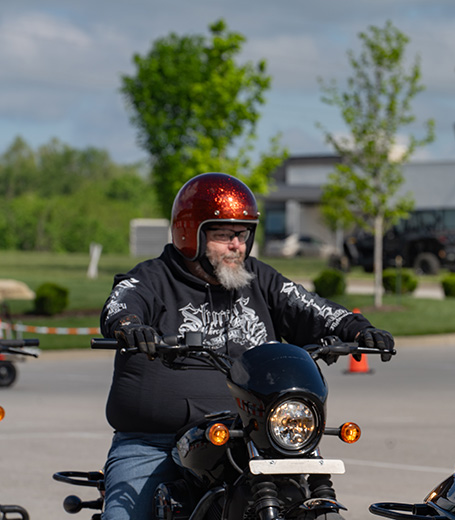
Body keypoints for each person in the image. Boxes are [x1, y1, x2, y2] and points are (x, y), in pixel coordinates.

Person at [99, 172, 394, 520]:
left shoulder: (259, 279)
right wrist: (130, 327)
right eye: (224, 235)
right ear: (189, 233)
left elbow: (311, 307)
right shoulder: (152, 278)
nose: (237, 245)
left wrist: (357, 329)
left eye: (242, 234)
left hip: (253, 434)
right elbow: (120, 304)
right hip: (155, 442)